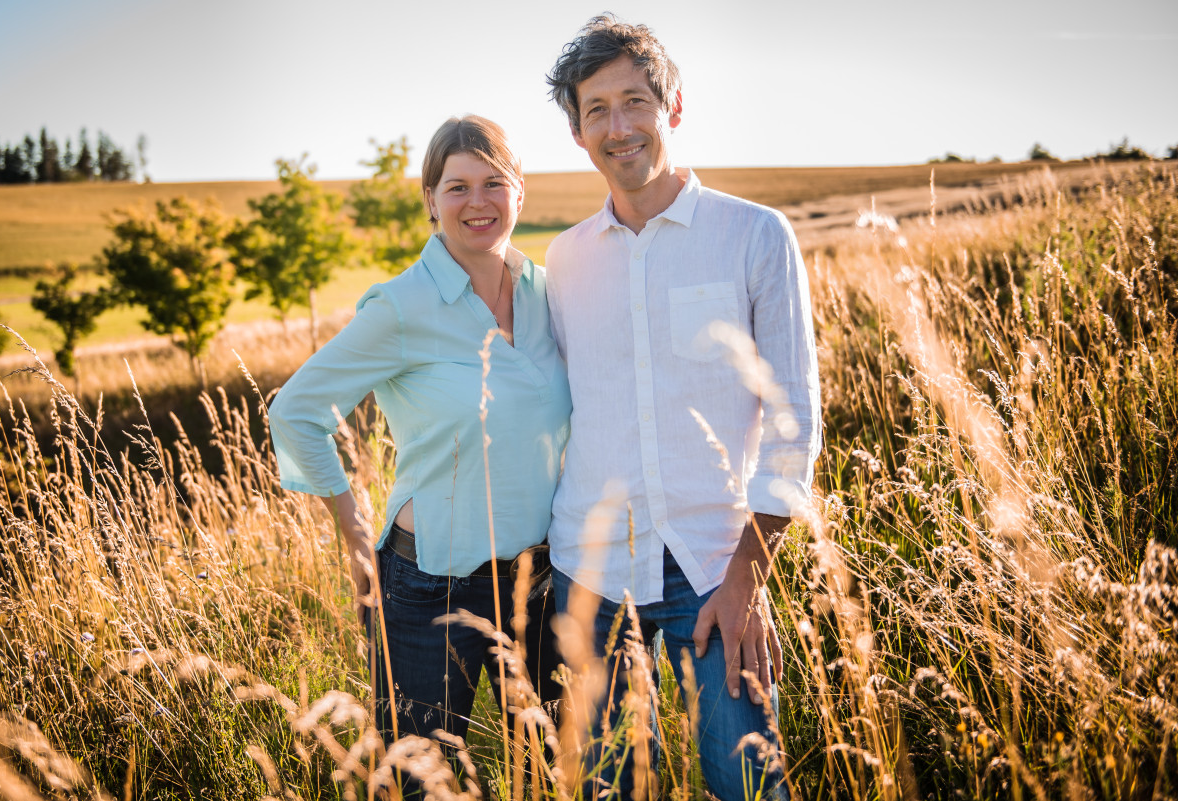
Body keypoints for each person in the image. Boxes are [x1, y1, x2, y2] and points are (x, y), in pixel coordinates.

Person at [544, 15, 820, 801]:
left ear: (672, 108)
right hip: (587, 574)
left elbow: (795, 417)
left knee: (746, 785)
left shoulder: (754, 235)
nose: (618, 126)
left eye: (634, 101)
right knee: (604, 790)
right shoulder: (564, 260)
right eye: (596, 109)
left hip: (712, 565)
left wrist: (747, 576)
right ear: (576, 132)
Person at [269, 116, 572, 754]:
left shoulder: (548, 293)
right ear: (430, 202)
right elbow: (296, 410)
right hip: (429, 585)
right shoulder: (402, 308)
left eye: (494, 182)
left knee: (558, 768)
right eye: (456, 187)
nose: (478, 202)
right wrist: (354, 538)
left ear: (520, 192)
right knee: (420, 777)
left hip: (540, 579)